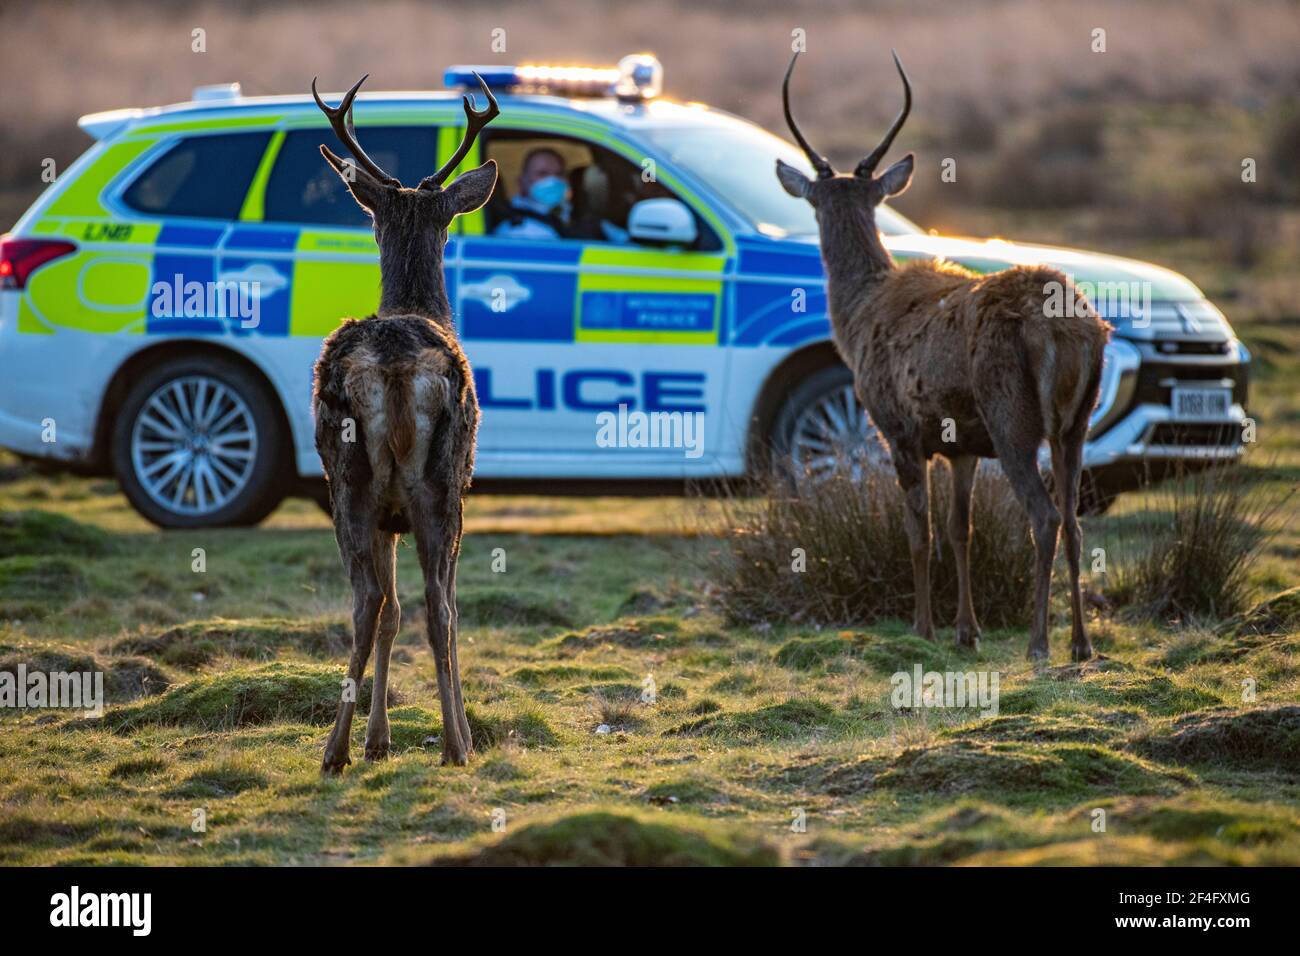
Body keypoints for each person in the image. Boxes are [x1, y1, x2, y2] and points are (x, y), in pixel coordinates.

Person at [494, 147, 571, 238]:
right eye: (542, 174)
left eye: (559, 174)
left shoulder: (560, 215)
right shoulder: (518, 231)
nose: (553, 180)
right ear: (522, 182)